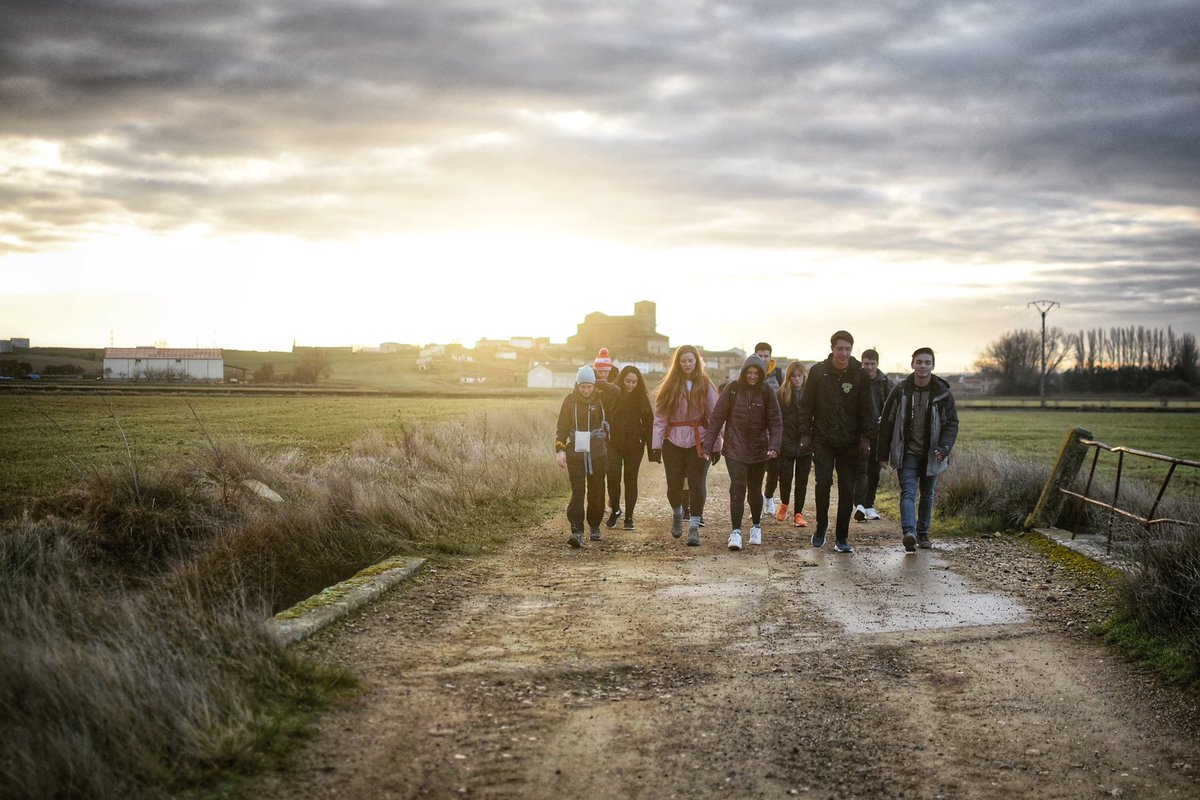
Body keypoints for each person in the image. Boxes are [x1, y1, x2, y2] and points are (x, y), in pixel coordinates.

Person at [797, 330, 875, 553]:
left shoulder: (859, 375)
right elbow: (806, 406)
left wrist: (866, 439)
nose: (843, 353)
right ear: (832, 349)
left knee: (847, 489)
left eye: (848, 349)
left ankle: (842, 536)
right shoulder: (819, 372)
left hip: (850, 442)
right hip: (823, 438)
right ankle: (821, 527)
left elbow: (867, 409)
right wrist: (805, 434)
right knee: (823, 484)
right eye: (840, 349)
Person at [878, 347, 960, 552]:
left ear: (933, 366)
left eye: (927, 362)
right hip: (907, 453)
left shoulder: (943, 393)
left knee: (928, 495)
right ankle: (909, 533)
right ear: (912, 363)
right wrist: (882, 453)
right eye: (919, 362)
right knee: (908, 492)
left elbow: (952, 424)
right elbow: (887, 422)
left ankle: (923, 534)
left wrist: (945, 448)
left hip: (933, 453)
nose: (923, 366)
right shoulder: (901, 390)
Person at [703, 355, 782, 550]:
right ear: (744, 373)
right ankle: (736, 532)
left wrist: (774, 445)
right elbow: (717, 418)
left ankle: (756, 526)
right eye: (749, 373)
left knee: (755, 489)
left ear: (761, 374)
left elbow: (775, 421)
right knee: (737, 487)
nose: (753, 377)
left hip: (759, 449)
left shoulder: (767, 392)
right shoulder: (732, 390)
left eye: (756, 373)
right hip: (735, 449)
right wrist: (707, 446)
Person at [651, 344, 721, 546]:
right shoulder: (669, 385)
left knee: (697, 483)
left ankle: (694, 527)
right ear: (678, 363)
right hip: (672, 440)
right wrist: (656, 444)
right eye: (684, 361)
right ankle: (677, 513)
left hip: (698, 440)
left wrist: (716, 445)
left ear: (696, 362)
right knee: (674, 486)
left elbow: (714, 416)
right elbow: (660, 417)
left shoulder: (705, 385)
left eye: (691, 360)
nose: (688, 364)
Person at [555, 365, 610, 547]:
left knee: (596, 490)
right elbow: (562, 428)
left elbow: (616, 391)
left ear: (594, 385)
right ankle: (577, 531)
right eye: (582, 386)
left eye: (589, 386)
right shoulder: (569, 401)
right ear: (577, 385)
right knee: (578, 491)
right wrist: (560, 450)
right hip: (576, 453)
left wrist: (598, 380)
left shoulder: (601, 399)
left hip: (598, 453)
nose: (586, 390)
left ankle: (594, 525)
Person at [606, 365, 653, 530]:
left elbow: (649, 423)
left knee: (630, 480)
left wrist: (651, 449)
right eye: (627, 381)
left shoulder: (642, 398)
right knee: (612, 477)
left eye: (634, 382)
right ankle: (615, 511)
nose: (630, 385)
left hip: (635, 446)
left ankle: (629, 517)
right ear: (621, 380)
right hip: (613, 444)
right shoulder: (612, 395)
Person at [853, 348, 893, 522]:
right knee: (860, 470)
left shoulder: (885, 382)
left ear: (877, 364)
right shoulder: (856, 379)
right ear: (861, 363)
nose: (869, 367)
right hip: (860, 432)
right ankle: (859, 505)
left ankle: (869, 505)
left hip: (878, 432)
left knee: (874, 471)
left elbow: (891, 406)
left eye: (872, 364)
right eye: (866, 363)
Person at [776, 360, 813, 528]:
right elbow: (777, 419)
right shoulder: (781, 394)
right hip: (787, 442)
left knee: (802, 480)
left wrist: (810, 437)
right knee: (785, 477)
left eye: (799, 376)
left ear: (804, 377)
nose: (797, 379)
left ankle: (798, 512)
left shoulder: (811, 394)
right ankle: (784, 504)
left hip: (805, 443)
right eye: (793, 376)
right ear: (788, 377)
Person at [754, 342, 785, 517]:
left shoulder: (779, 374)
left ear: (770, 357)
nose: (763, 359)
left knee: (775, 470)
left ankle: (768, 497)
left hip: (774, 429)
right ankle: (756, 502)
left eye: (766, 356)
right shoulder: (750, 374)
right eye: (760, 356)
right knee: (756, 470)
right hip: (756, 431)